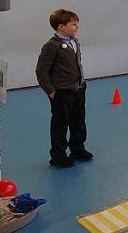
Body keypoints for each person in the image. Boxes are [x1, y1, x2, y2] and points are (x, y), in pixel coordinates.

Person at [36, 9, 92, 168]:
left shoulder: (75, 42)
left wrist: (82, 83)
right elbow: (41, 71)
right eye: (73, 24)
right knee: (60, 124)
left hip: (78, 89)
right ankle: (58, 155)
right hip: (62, 92)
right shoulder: (52, 46)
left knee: (78, 121)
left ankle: (78, 149)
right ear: (61, 27)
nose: (77, 27)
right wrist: (51, 91)